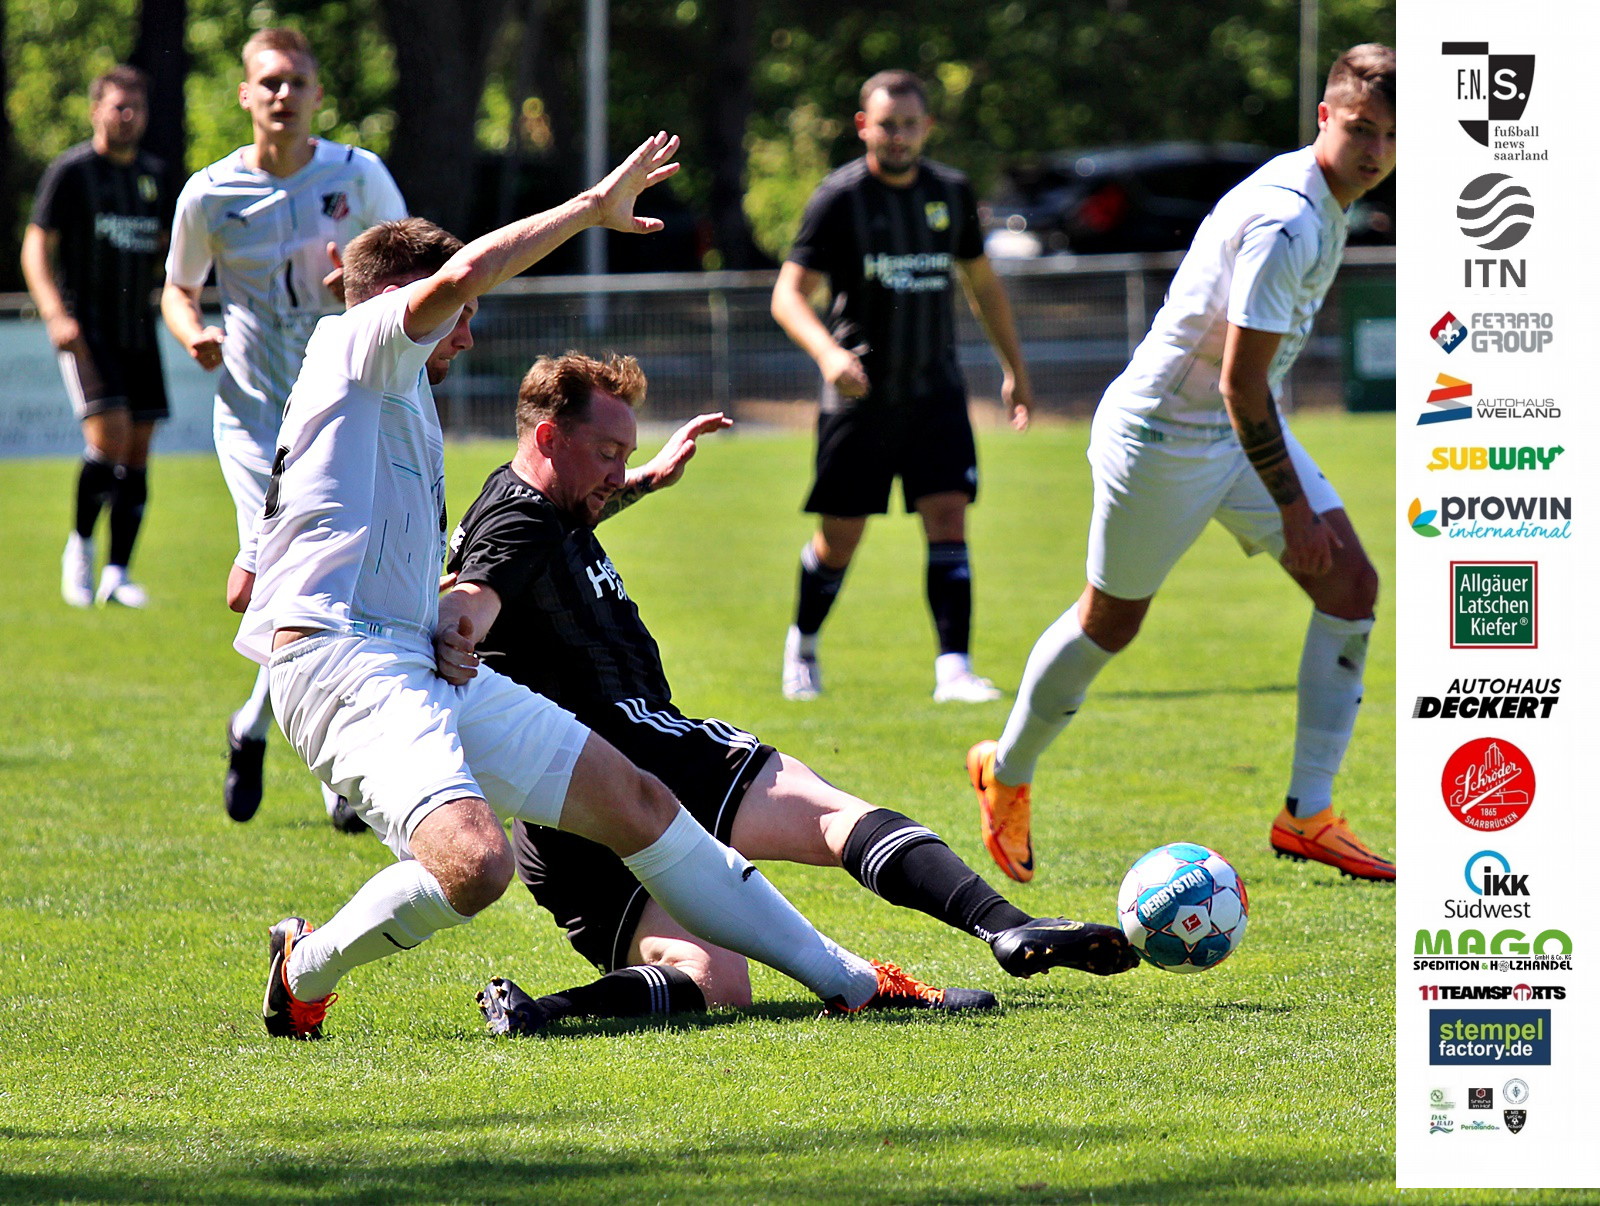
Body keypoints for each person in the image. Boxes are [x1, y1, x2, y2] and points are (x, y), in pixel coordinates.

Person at [240, 133, 983, 1040]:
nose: (467, 332)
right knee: (476, 867)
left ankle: (856, 983)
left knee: (640, 801)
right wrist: (592, 208)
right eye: (459, 313)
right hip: (344, 667)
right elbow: (466, 270)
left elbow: (307, 544)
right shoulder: (360, 342)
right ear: (402, 298)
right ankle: (304, 967)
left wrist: (416, 603)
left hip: (411, 659)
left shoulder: (387, 394)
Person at [434, 353, 1137, 1032]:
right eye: (608, 453)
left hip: (555, 815)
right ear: (550, 438)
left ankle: (540, 1012)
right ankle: (1006, 926)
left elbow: (537, 537)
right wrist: (457, 624)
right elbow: (478, 593)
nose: (617, 472)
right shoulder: (521, 520)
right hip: (636, 747)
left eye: (626, 456)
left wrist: (644, 479)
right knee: (830, 814)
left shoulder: (524, 501)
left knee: (715, 981)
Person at [967, 45, 1397, 885]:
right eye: (1359, 129)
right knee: (1109, 623)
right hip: (1162, 438)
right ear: (1324, 118)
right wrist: (1295, 510)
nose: (1374, 150)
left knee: (1351, 588)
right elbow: (1240, 383)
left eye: (1389, 135)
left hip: (1235, 430)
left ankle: (1307, 813)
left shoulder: (1328, 201)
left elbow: (1244, 394)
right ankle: (1004, 771)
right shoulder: (1288, 222)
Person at [162, 27, 406, 828]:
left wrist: (357, 286)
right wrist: (192, 334)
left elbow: (411, 268)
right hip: (252, 414)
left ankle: (260, 728)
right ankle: (333, 768)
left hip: (341, 406)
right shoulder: (209, 193)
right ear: (245, 94)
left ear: (317, 95)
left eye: (297, 81)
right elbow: (178, 288)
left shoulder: (358, 175)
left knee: (331, 581)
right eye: (269, 81)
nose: (283, 94)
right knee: (282, 580)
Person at [770, 69, 1033, 704]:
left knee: (948, 516)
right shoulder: (839, 199)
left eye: (910, 124)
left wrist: (1016, 371)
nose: (899, 136)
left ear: (927, 128)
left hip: (934, 391)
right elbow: (788, 295)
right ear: (864, 126)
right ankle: (803, 646)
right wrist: (829, 354)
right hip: (859, 398)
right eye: (887, 124)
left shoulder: (950, 192)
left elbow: (982, 284)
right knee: (841, 537)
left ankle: (954, 670)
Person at [21, 66, 170, 609]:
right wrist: (54, 314)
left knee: (139, 447)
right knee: (109, 437)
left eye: (136, 107)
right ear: (96, 111)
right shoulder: (72, 172)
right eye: (118, 106)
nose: (127, 115)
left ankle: (118, 574)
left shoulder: (154, 177)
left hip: (139, 329)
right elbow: (35, 246)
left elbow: (168, 247)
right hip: (88, 329)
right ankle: (80, 550)